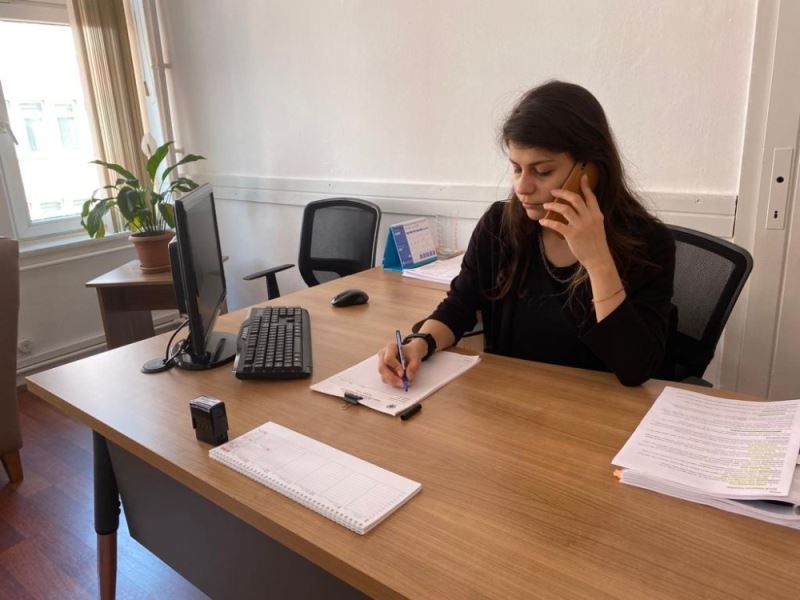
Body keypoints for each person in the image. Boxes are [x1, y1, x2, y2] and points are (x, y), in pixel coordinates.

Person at [378, 80, 676, 387]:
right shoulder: (498, 225)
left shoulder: (649, 243)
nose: (522, 187)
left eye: (542, 171)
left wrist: (598, 262)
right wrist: (419, 344)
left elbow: (635, 369)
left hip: (597, 411)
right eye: (517, 168)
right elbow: (460, 306)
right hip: (511, 402)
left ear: (590, 169)